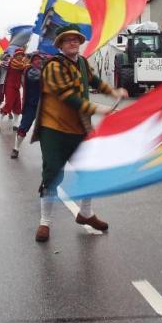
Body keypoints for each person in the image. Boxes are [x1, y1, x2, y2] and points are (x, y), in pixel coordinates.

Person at [32, 25, 126, 242]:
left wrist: (113, 91)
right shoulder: (53, 67)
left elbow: (93, 80)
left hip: (79, 128)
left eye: (76, 39)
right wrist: (100, 109)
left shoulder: (82, 62)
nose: (73, 42)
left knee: (89, 170)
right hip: (54, 129)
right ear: (61, 45)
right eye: (68, 40)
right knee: (52, 175)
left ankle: (85, 214)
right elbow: (69, 96)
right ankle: (45, 222)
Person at [11, 53, 43, 159]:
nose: (39, 61)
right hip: (31, 105)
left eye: (40, 59)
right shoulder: (30, 71)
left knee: (47, 131)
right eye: (36, 60)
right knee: (23, 128)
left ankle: (47, 155)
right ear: (32, 61)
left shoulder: (46, 70)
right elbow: (35, 77)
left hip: (44, 106)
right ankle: (16, 148)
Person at [0, 49, 26, 132]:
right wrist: (6, 56)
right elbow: (2, 62)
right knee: (8, 103)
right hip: (9, 86)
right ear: (15, 55)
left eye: (22, 54)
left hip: (17, 87)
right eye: (18, 54)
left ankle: (15, 124)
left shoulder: (23, 65)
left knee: (18, 105)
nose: (20, 56)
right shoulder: (8, 63)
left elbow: (24, 75)